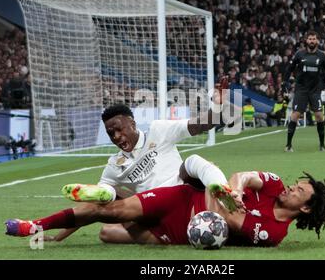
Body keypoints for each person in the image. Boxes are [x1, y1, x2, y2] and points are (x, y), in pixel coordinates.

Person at [31, 100, 237, 242]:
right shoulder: (114, 164)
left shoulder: (159, 130)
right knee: (106, 232)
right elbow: (93, 205)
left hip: (183, 197)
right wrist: (59, 237)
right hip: (154, 212)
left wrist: (218, 106)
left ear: (132, 123)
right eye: (111, 133)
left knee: (191, 165)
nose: (117, 137)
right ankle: (166, 237)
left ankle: (222, 191)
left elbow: (199, 125)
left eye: (120, 129)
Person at [5, 164, 325, 248]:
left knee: (108, 234)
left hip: (182, 232)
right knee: (108, 212)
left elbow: (226, 217)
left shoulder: (274, 233)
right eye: (295, 183)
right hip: (181, 199)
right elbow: (243, 176)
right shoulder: (272, 185)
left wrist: (226, 202)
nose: (290, 187)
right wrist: (236, 188)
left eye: (298, 190)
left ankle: (116, 195)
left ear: (304, 208)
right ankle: (33, 226)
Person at [283, 31, 325, 152]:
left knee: (319, 116)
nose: (312, 41)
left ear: (317, 41)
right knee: (295, 115)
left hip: (315, 90)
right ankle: (288, 145)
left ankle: (322, 146)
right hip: (301, 89)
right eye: (310, 39)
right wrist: (284, 83)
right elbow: (289, 69)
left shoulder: (322, 56)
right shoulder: (299, 54)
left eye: (314, 39)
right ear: (306, 40)